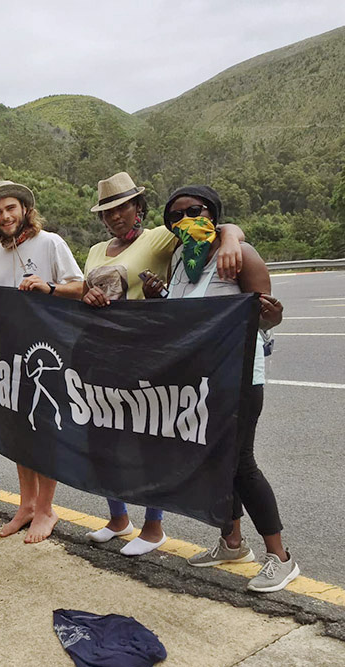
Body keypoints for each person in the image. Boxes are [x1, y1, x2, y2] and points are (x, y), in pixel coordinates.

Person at [142, 185, 299, 592]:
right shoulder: (181, 259)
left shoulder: (239, 254)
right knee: (214, 462)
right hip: (200, 379)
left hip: (240, 377)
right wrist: (160, 298)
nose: (186, 219)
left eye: (195, 210)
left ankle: (280, 557)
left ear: (212, 212)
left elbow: (266, 319)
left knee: (241, 463)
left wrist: (273, 315)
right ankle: (231, 543)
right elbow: (185, 317)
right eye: (176, 216)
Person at [81, 172, 246, 556]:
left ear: (139, 207)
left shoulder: (159, 237)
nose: (115, 217)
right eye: (108, 212)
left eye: (122, 207)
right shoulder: (94, 250)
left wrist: (233, 238)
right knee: (104, 437)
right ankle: (118, 519)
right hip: (102, 355)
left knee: (147, 441)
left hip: (145, 355)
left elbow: (214, 228)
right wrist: (86, 294)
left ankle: (153, 527)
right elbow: (87, 287)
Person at [0, 180, 84, 543]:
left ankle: (47, 509)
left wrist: (49, 288)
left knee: (45, 432)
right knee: (19, 431)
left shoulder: (50, 243)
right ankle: (26, 505)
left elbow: (79, 286)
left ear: (24, 210)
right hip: (8, 356)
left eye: (10, 208)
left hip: (48, 355)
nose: (5, 216)